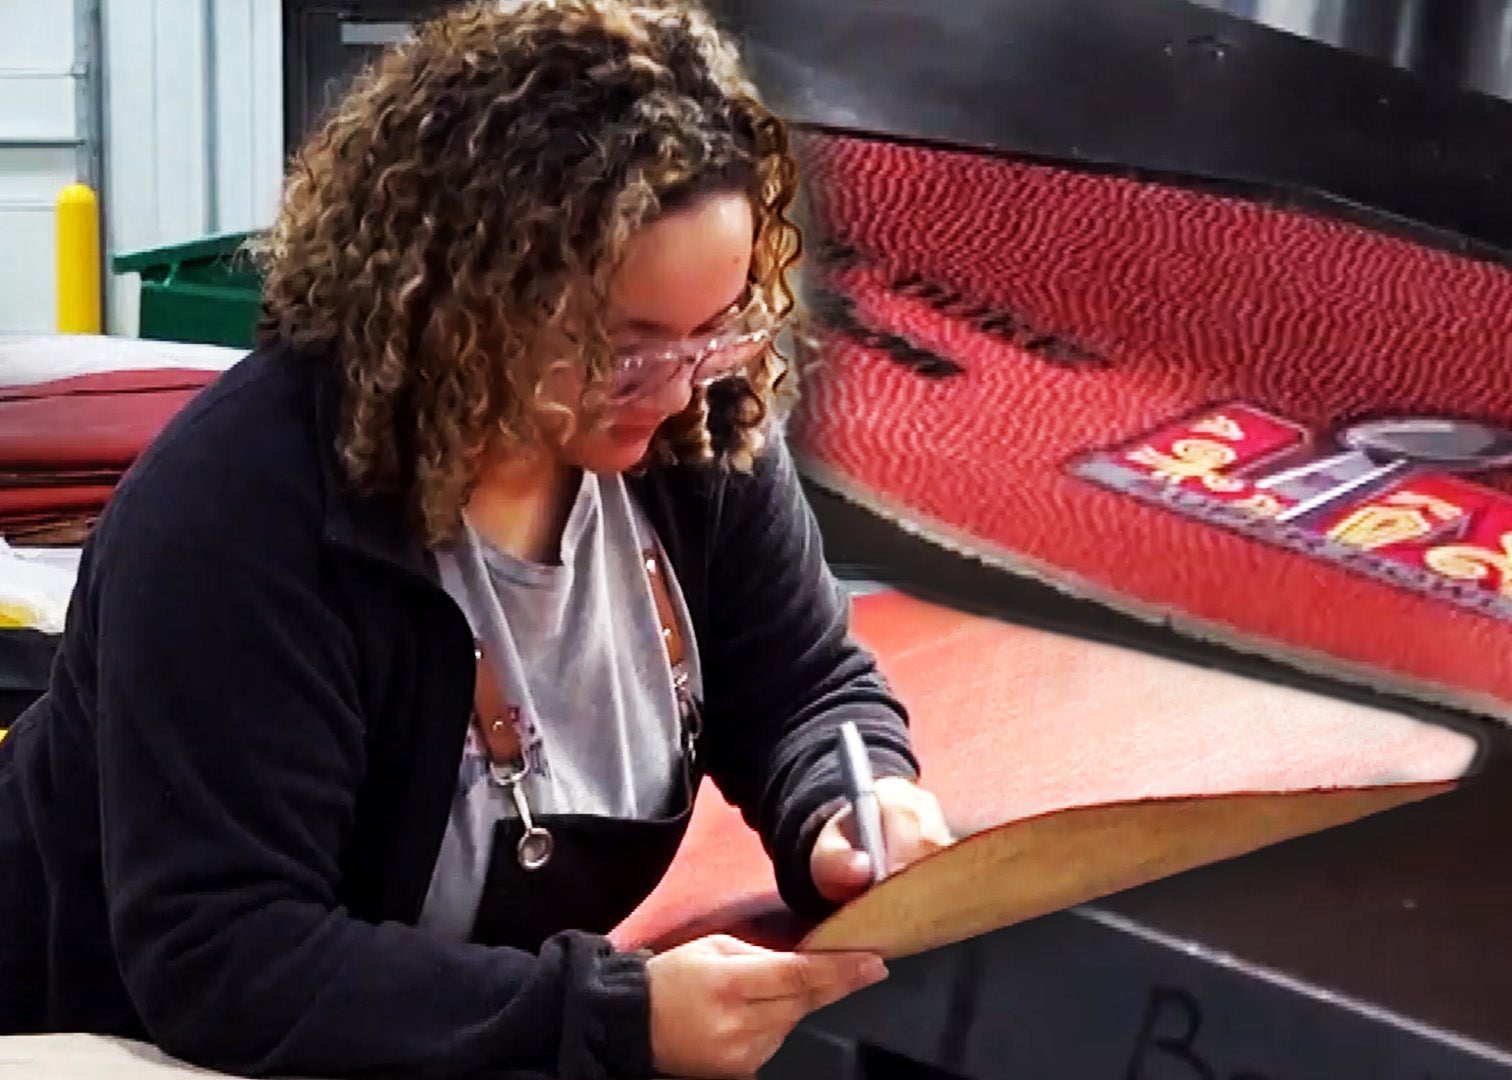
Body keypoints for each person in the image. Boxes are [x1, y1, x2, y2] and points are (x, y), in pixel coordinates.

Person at [0, 2, 954, 1077]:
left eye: (714, 330)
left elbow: (803, 688)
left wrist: (847, 803)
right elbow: (224, 956)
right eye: (626, 347)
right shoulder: (239, 516)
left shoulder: (692, 431)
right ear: (468, 296)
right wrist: (604, 1019)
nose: (680, 385)